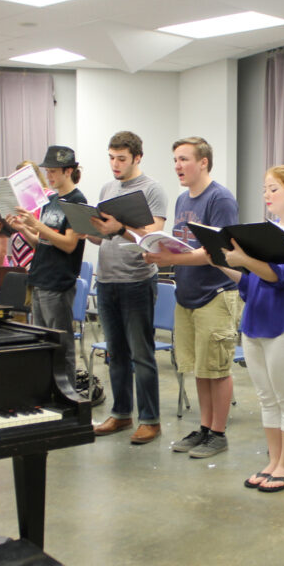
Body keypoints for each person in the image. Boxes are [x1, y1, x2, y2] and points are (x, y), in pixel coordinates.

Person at [215, 165, 284, 492]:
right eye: (265, 189)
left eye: (274, 189)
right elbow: (252, 283)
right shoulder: (268, 230)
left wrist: (245, 260)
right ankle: (274, 461)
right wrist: (221, 261)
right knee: (267, 399)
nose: (267, 195)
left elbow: (279, 276)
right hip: (256, 322)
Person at [144, 136, 242, 459]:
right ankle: (204, 427)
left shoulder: (220, 199)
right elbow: (183, 244)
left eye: (184, 159)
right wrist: (159, 249)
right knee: (200, 368)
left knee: (217, 368)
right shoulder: (182, 199)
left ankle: (219, 433)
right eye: (175, 160)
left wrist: (170, 259)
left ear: (203, 162)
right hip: (187, 294)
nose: (177, 166)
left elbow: (218, 252)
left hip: (215, 294)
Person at [88, 131, 169, 445]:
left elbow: (153, 236)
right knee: (116, 353)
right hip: (107, 279)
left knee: (141, 354)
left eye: (121, 159)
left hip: (136, 280)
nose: (115, 164)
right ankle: (121, 413)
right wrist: (88, 230)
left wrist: (120, 228)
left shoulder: (152, 189)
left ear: (137, 157)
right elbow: (102, 237)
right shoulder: (107, 188)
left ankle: (150, 420)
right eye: (111, 158)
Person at [8, 145, 87, 381]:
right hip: (40, 278)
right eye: (47, 171)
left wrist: (38, 226)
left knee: (61, 344)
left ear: (68, 171)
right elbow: (41, 243)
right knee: (43, 342)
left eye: (53, 171)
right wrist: (25, 229)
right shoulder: (50, 199)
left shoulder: (77, 201)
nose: (48, 176)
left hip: (58, 282)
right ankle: (49, 390)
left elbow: (69, 244)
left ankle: (68, 394)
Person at [8, 160, 50, 270]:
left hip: (35, 253)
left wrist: (25, 227)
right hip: (18, 255)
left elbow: (45, 231)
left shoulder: (47, 197)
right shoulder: (20, 198)